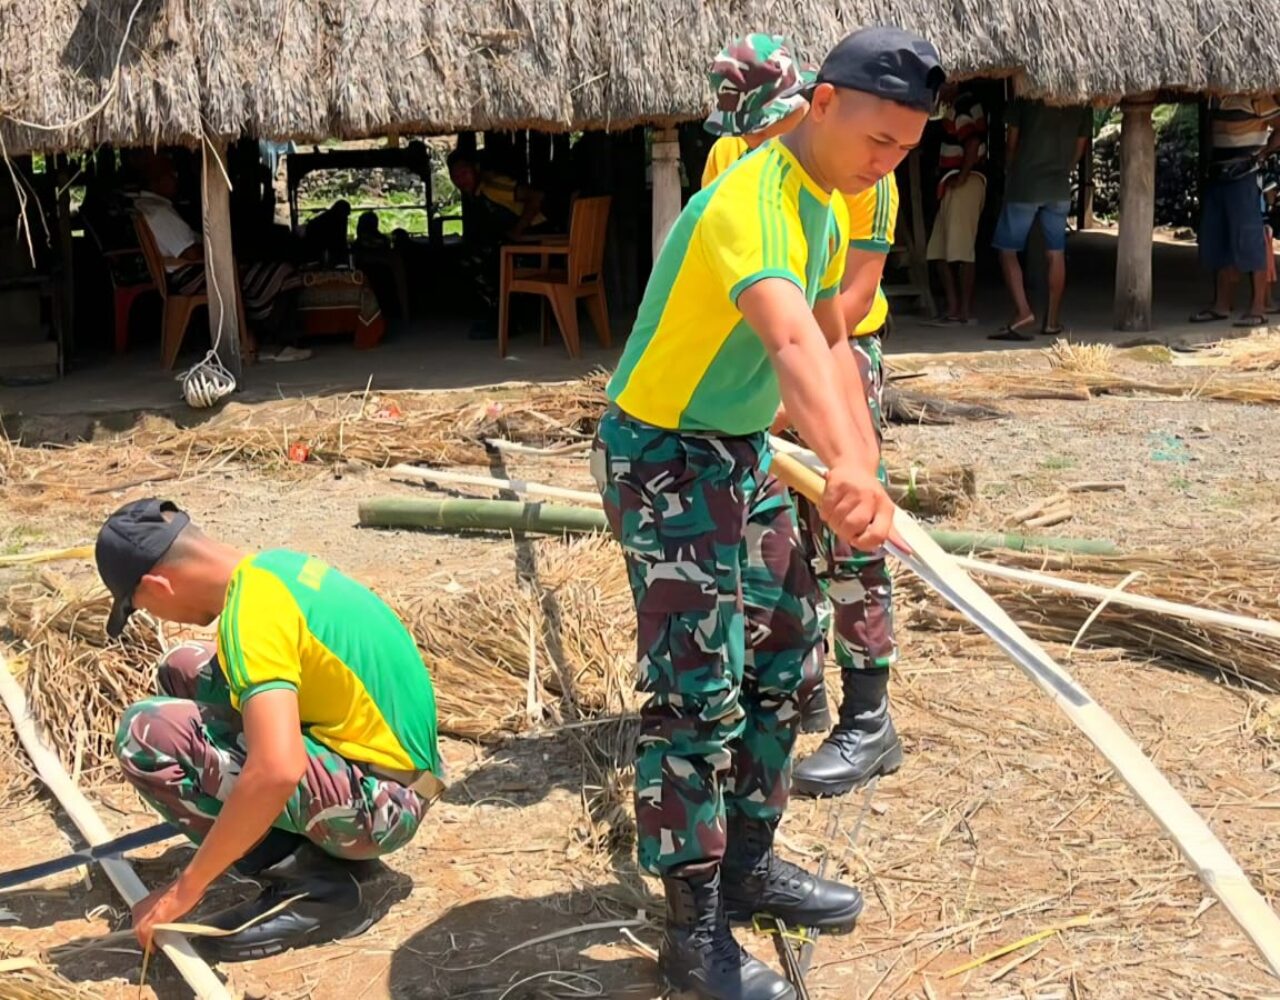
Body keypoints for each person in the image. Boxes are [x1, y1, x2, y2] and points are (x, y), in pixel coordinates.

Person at [592, 27, 943, 1000]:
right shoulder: (751, 198)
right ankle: (692, 932)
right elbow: (786, 340)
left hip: (738, 450)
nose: (887, 164)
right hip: (663, 457)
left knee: (788, 647)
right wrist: (842, 466)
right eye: (879, 140)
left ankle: (747, 863)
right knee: (697, 691)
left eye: (906, 151)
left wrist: (862, 470)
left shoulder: (825, 203)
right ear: (821, 105)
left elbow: (831, 342)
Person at [698, 34, 907, 800]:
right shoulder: (731, 158)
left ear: (810, 108)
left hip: (835, 350)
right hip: (760, 353)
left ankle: (869, 717)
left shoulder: (865, 167)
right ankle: (794, 683)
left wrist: (804, 390)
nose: (765, 145)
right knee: (771, 533)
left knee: (850, 527)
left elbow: (849, 298)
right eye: (751, 133)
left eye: (775, 128)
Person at [96, 499, 443, 960]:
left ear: (159, 585)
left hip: (383, 807)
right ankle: (312, 851)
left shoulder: (252, 615)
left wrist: (185, 890)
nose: (155, 617)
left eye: (141, 608)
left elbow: (277, 769)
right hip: (398, 775)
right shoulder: (272, 570)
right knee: (182, 669)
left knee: (147, 733)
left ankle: (312, 889)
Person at [132, 154, 300, 345]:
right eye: (172, 175)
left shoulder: (149, 206)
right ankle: (279, 338)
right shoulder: (159, 212)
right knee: (283, 272)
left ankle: (257, 327)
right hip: (192, 275)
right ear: (156, 181)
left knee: (258, 264)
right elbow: (190, 253)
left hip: (188, 272)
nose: (176, 179)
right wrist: (221, 251)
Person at [989, 99, 1091, 341]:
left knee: (1007, 251)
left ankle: (1023, 311)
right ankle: (1052, 321)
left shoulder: (1025, 97)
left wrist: (1011, 171)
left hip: (1025, 186)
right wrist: (1064, 171)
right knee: (1056, 253)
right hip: (1059, 188)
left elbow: (1011, 144)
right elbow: (1080, 148)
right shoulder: (1082, 103)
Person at [1190, 94, 1280, 329]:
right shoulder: (1215, 99)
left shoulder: (1257, 98)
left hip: (1245, 175)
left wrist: (1263, 154)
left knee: (1249, 238)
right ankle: (1221, 304)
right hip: (1219, 173)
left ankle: (1258, 307)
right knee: (1220, 237)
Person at [446, 150, 549, 338]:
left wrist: (519, 229)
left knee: (478, 262)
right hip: (516, 245)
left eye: (464, 173)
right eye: (456, 176)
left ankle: (507, 321)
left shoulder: (493, 187)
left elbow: (537, 196)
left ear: (476, 169)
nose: (461, 180)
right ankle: (501, 317)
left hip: (535, 244)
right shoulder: (476, 194)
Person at [700, 34, 814, 188]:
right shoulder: (725, 152)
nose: (752, 138)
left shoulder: (839, 161)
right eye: (742, 129)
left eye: (766, 123)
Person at [926, 81, 988, 326]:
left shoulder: (963, 105)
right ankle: (954, 309)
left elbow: (972, 143)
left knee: (962, 251)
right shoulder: (958, 105)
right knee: (939, 250)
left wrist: (962, 176)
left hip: (964, 183)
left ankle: (964, 312)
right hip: (952, 184)